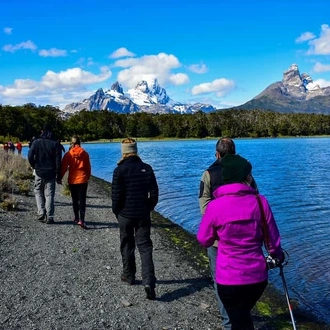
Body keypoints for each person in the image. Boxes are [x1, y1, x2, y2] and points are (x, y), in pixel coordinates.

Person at [197, 154, 283, 330]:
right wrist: (277, 256)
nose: (252, 177)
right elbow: (273, 243)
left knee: (239, 319)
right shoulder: (261, 202)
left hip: (228, 279)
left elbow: (204, 239)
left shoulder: (215, 206)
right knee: (242, 317)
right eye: (249, 174)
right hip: (257, 278)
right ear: (244, 177)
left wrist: (220, 232)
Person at [198, 137, 257, 329]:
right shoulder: (245, 172)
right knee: (246, 279)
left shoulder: (208, 173)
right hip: (246, 238)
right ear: (234, 153)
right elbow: (255, 201)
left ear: (217, 153)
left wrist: (217, 225)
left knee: (221, 281)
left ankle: (229, 323)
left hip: (218, 241)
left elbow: (204, 205)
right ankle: (240, 318)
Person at [111, 138, 159, 300]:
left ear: (123, 151)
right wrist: (148, 207)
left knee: (127, 245)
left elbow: (116, 196)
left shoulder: (119, 171)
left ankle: (129, 275)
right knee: (145, 247)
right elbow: (154, 194)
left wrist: (117, 212)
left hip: (125, 214)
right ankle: (149, 282)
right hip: (142, 214)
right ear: (135, 150)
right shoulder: (147, 168)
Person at [28, 124, 62, 224]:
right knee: (49, 194)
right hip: (51, 173)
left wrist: (34, 165)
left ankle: (41, 211)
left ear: (42, 131)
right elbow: (58, 162)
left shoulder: (36, 142)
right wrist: (58, 175)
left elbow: (30, 155)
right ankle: (50, 216)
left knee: (38, 191)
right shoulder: (55, 144)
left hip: (39, 171)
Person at [60, 136, 91, 229]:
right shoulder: (85, 154)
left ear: (71, 143)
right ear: (79, 143)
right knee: (82, 200)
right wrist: (87, 177)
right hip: (82, 179)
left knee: (74, 199)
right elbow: (88, 168)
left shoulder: (68, 154)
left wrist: (59, 177)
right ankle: (82, 219)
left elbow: (64, 167)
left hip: (73, 180)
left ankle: (76, 218)